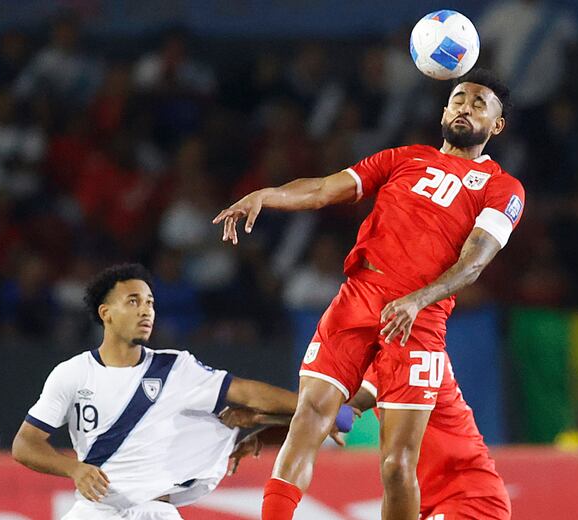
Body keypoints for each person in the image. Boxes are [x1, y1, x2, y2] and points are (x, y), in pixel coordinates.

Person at [214, 68, 525, 520]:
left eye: (480, 104)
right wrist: (268, 195)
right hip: (359, 296)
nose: (465, 108)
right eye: (459, 98)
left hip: (418, 320)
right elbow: (324, 188)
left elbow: (474, 262)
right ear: (443, 109)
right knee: (308, 419)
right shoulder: (403, 158)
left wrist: (419, 299)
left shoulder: (502, 188)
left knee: (398, 466)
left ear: (497, 126)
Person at [11, 263, 354, 520]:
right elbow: (25, 444)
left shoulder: (176, 368)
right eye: (133, 301)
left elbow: (249, 394)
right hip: (94, 511)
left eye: (149, 302)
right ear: (106, 314)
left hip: (154, 513)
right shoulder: (72, 374)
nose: (146, 310)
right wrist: (74, 469)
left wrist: (322, 408)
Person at [351, 355, 511, 520]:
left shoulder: (412, 348)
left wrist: (333, 411)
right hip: (432, 501)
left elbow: (358, 399)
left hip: (466, 497)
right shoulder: (382, 353)